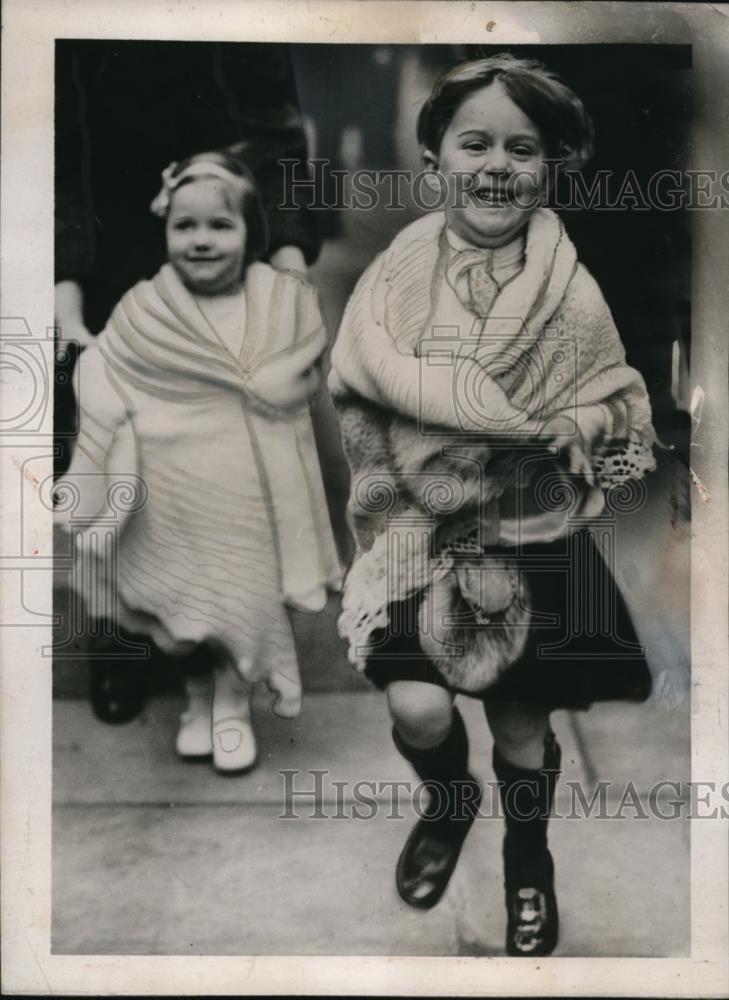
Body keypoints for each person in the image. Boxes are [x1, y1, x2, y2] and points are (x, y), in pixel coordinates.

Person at [328, 55, 656, 956]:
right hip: (418, 531)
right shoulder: (393, 282)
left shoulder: (570, 293)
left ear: (547, 168)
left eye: (522, 148)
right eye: (473, 143)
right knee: (419, 708)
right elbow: (357, 395)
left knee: (519, 725)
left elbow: (621, 400)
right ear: (434, 161)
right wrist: (409, 493)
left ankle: (527, 859)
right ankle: (445, 800)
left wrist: (576, 425)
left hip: (529, 533)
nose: (496, 164)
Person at [54, 40, 322, 723]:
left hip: (224, 223)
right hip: (103, 224)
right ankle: (123, 634)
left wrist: (288, 264)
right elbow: (49, 129)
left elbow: (276, 125)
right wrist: (65, 281)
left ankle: (220, 649)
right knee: (114, 450)